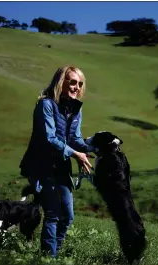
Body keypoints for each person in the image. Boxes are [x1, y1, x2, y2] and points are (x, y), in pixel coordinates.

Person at [19, 65, 94, 258]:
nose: (76, 87)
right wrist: (75, 154)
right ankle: (48, 258)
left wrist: (94, 148)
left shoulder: (76, 109)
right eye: (72, 82)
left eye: (80, 84)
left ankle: (54, 254)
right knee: (53, 212)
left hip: (61, 167)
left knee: (67, 216)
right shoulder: (46, 105)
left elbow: (75, 139)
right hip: (41, 165)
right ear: (62, 82)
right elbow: (49, 138)